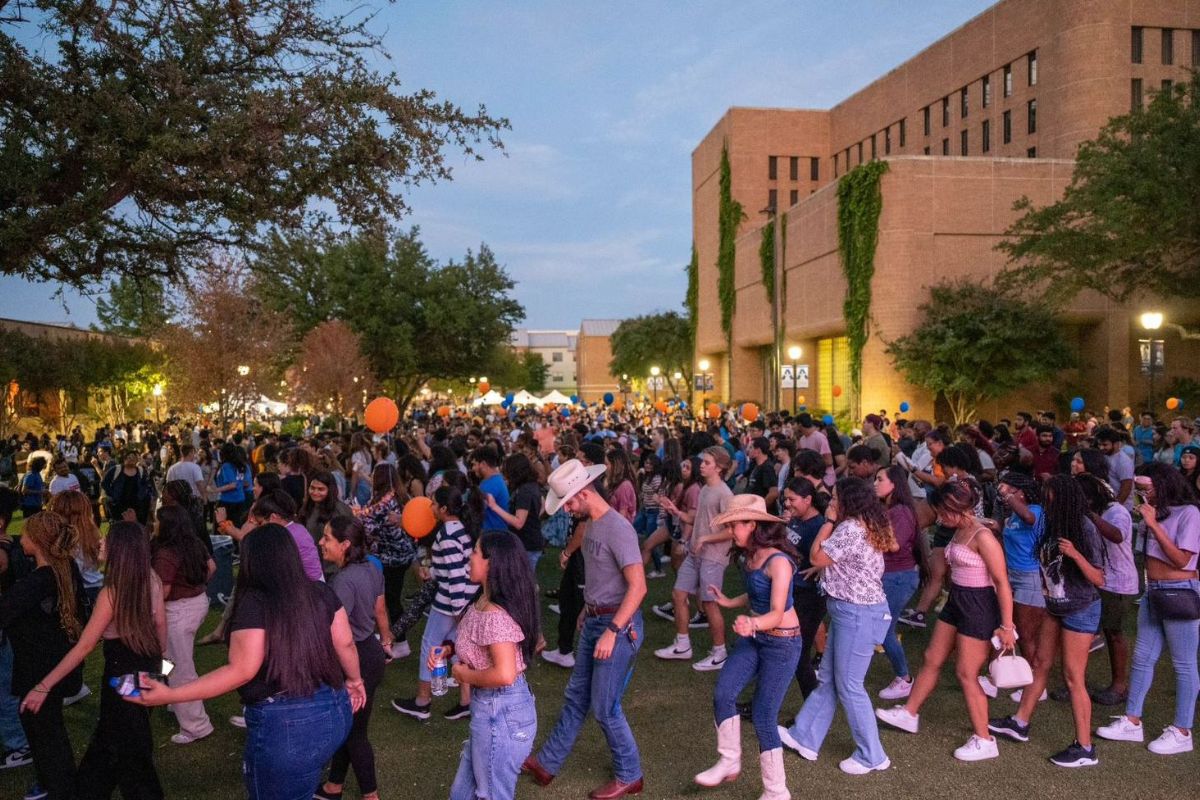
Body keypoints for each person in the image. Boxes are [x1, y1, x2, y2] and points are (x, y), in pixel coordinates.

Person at [125, 523, 366, 799]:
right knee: (304, 779)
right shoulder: (322, 592)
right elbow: (345, 643)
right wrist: (356, 680)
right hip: (335, 711)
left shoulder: (254, 603)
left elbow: (241, 670)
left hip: (289, 724)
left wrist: (172, 693)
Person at [522, 459, 647, 799]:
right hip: (597, 619)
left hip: (617, 625)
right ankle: (547, 764)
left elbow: (638, 587)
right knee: (577, 696)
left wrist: (612, 630)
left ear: (585, 492)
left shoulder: (617, 528)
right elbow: (601, 578)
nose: (568, 509)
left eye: (570, 502)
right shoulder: (591, 524)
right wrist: (587, 612)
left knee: (605, 706)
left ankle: (630, 775)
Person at [21, 521, 167, 797]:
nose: (100, 542)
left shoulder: (110, 594)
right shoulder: (151, 579)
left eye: (106, 540)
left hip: (121, 674)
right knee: (115, 739)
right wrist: (162, 668)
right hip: (146, 668)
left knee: (131, 752)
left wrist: (44, 685)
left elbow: (84, 647)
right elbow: (160, 626)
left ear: (120, 549)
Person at [875, 478, 1016, 762]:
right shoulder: (957, 530)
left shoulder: (983, 537)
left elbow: (1002, 582)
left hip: (978, 606)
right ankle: (909, 713)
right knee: (931, 657)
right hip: (957, 601)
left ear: (957, 509)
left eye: (943, 511)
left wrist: (1007, 626)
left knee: (966, 673)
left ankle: (985, 739)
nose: (939, 516)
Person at [778, 476, 897, 775]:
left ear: (848, 502)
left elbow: (817, 556)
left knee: (849, 685)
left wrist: (828, 522)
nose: (830, 503)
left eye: (834, 498)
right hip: (854, 612)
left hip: (857, 614)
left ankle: (872, 755)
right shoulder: (866, 524)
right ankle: (804, 735)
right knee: (830, 677)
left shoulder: (849, 527)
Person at [988, 475, 1104, 767]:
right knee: (1040, 662)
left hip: (1081, 608)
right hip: (1055, 605)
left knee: (1073, 677)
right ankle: (1020, 722)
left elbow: (1099, 578)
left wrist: (1075, 554)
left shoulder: (1085, 528)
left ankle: (1085, 748)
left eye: (1049, 496)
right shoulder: (1050, 525)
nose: (1045, 500)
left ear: (1063, 498)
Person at [694, 495, 800, 800]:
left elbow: (777, 611)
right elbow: (757, 594)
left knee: (765, 715)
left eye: (734, 526)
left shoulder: (779, 562)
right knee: (723, 694)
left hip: (783, 643)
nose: (730, 532)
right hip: (756, 638)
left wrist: (752, 624)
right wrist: (731, 601)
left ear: (752, 524)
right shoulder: (748, 556)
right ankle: (729, 759)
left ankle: (776, 791)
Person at [1097, 463, 1199, 755]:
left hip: (1181, 592)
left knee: (1183, 663)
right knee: (1142, 658)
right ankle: (1132, 720)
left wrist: (1153, 524)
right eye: (1140, 489)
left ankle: (1182, 730)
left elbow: (1182, 560)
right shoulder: (1152, 513)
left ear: (1164, 485)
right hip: (1153, 592)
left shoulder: (1189, 513)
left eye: (1147, 489)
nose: (1142, 494)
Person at [439, 531, 540, 800]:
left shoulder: (496, 614)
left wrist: (465, 674)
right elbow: (479, 640)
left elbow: (505, 674)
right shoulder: (484, 599)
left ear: (491, 563)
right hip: (493, 709)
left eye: (474, 552)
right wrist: (449, 649)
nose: (469, 557)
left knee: (492, 795)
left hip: (501, 713)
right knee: (461, 794)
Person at [0, 512, 87, 800]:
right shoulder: (64, 566)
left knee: (45, 732)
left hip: (40, 669)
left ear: (37, 542)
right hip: (55, 662)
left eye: (23, 534)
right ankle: (53, 782)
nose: (19, 538)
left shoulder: (37, 582)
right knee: (46, 728)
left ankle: (60, 787)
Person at [314, 516, 390, 800]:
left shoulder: (342, 581)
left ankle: (371, 796)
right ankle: (334, 785)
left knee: (355, 733)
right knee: (349, 728)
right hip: (371, 652)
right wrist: (387, 642)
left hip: (354, 659)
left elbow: (338, 635)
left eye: (327, 538)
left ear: (345, 544)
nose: (321, 543)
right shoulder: (372, 566)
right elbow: (380, 609)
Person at [391, 485, 475, 722]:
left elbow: (456, 575)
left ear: (444, 508)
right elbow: (453, 567)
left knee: (431, 646)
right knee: (456, 649)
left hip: (450, 603)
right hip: (460, 601)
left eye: (434, 504)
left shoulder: (447, 534)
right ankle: (463, 700)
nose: (430, 507)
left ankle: (422, 701)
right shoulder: (460, 528)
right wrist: (435, 572)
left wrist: (459, 610)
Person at [654, 446, 733, 670]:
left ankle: (720, 653)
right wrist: (676, 512)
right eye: (703, 461)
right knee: (679, 594)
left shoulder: (725, 494)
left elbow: (732, 531)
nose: (702, 465)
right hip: (696, 553)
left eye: (707, 462)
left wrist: (705, 539)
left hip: (713, 557)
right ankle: (682, 645)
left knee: (709, 604)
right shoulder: (706, 489)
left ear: (719, 468)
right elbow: (698, 518)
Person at [152, 505, 216, 745]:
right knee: (172, 660)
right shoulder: (194, 543)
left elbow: (164, 590)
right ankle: (172, 697)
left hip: (177, 612)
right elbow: (212, 568)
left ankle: (196, 726)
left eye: (157, 521)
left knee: (181, 670)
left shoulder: (166, 553)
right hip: (197, 604)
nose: (154, 525)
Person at [1076, 473, 1136, 707]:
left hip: (1118, 582)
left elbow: (1117, 535)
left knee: (1114, 632)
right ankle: (1077, 682)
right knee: (1086, 632)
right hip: (1098, 579)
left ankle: (1120, 686)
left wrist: (1089, 514)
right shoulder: (1100, 510)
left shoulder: (1116, 511)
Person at [874, 465, 921, 701]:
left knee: (883, 629)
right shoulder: (890, 509)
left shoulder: (901, 512)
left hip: (899, 577)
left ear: (894, 484)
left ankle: (904, 679)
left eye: (879, 479)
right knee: (878, 627)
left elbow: (893, 545)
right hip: (891, 576)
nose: (875, 483)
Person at [782, 478, 826, 700]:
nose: (787, 504)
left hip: (808, 596)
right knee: (781, 651)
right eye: (786, 499)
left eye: (792, 499)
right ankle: (761, 703)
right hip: (791, 591)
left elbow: (820, 558)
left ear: (808, 499)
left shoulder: (819, 526)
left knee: (798, 655)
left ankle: (812, 709)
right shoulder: (795, 520)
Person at [485, 453, 545, 574]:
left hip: (526, 544)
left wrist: (494, 507)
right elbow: (543, 504)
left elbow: (518, 522)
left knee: (521, 583)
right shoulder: (532, 485)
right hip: (530, 541)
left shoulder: (524, 491)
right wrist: (533, 518)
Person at [472, 447, 510, 533]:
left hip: (492, 535)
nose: (473, 468)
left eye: (474, 464)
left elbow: (475, 512)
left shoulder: (490, 486)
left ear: (483, 464)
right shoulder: (495, 480)